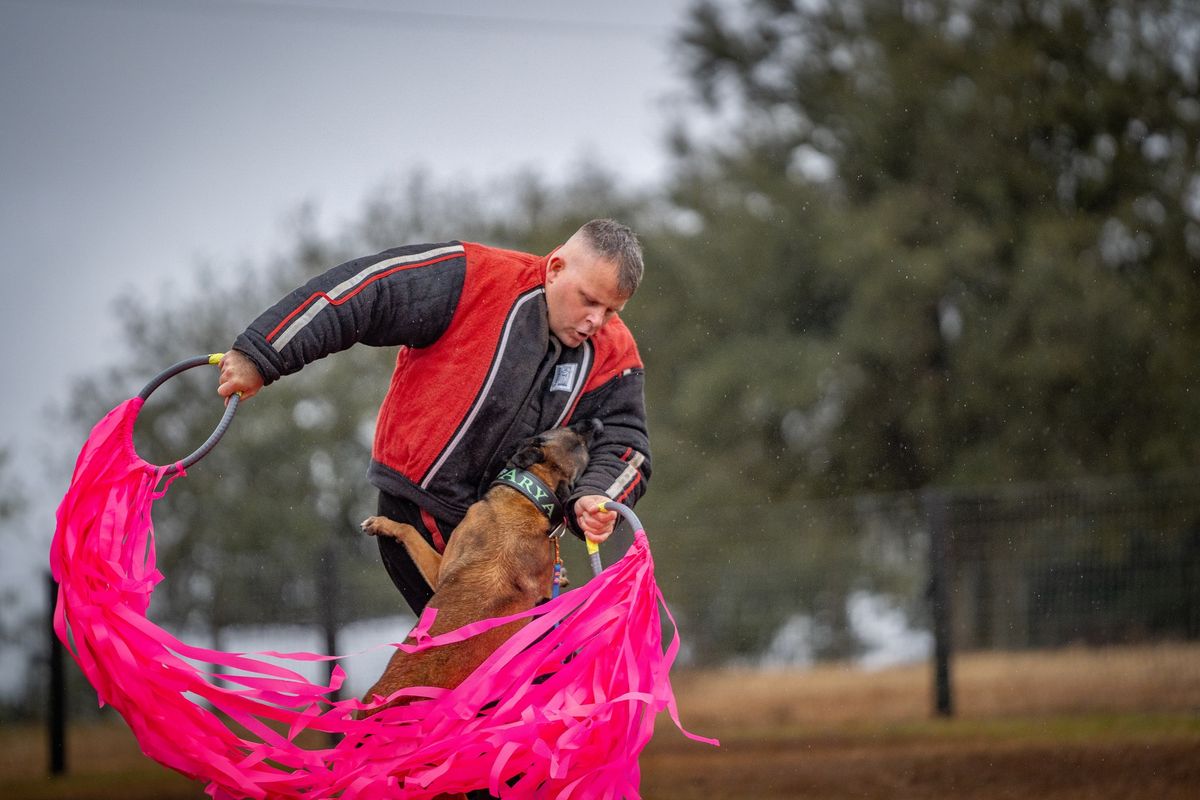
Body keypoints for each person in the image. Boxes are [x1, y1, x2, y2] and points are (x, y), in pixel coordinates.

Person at [217, 219, 651, 614]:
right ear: (556, 267)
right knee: (511, 677)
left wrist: (595, 496)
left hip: (516, 540)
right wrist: (263, 352)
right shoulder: (474, 277)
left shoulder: (616, 353)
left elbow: (626, 441)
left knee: (531, 677)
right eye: (589, 300)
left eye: (611, 310)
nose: (597, 320)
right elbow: (366, 289)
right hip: (423, 512)